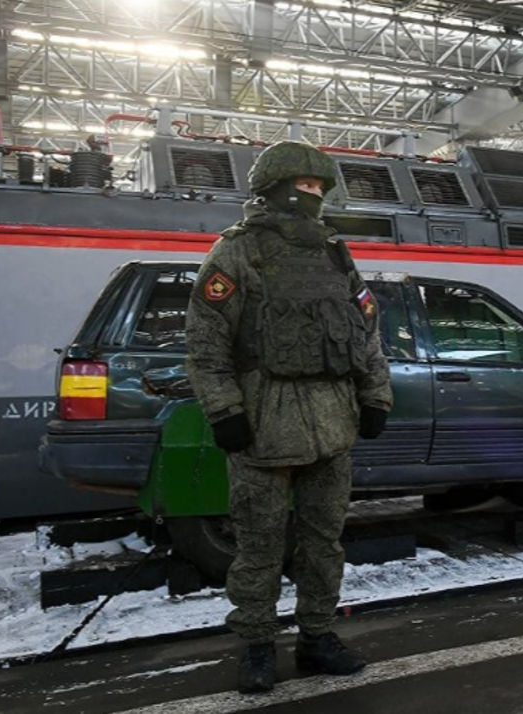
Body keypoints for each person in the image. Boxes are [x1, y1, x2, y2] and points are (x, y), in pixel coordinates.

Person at [185, 141, 393, 694]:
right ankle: (256, 645)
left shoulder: (333, 253)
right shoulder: (235, 253)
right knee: (259, 545)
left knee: (324, 541)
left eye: (322, 188)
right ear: (275, 188)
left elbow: (365, 332)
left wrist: (376, 395)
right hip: (263, 425)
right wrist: (224, 410)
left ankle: (316, 638)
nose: (316, 196)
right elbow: (206, 341)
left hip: (333, 424)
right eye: (307, 185)